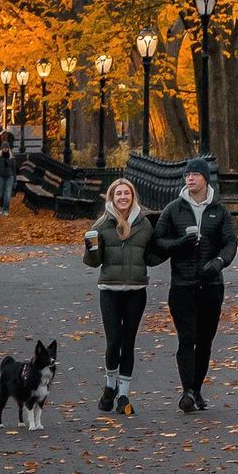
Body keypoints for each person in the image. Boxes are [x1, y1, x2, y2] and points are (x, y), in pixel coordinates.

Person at [153, 158, 237, 412]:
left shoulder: (219, 211)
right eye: (187, 175)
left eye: (195, 175)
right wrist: (180, 244)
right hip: (182, 284)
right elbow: (158, 241)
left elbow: (230, 242)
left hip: (211, 285)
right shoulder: (174, 209)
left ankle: (197, 388)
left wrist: (219, 262)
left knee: (205, 340)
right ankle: (187, 391)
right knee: (186, 337)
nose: (190, 179)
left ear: (205, 179)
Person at [83, 178, 157, 416]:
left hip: (136, 291)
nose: (123, 197)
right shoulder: (102, 224)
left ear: (133, 196)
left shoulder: (144, 224)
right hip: (110, 290)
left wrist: (174, 248)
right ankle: (110, 385)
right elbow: (93, 263)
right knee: (114, 341)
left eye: (127, 193)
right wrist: (90, 248)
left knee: (129, 342)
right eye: (118, 194)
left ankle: (123, 395)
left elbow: (152, 255)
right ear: (112, 198)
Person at [0, 139, 16, 215]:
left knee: (8, 194)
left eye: (7, 148)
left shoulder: (11, 157)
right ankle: (1, 206)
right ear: (2, 148)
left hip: (10, 177)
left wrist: (15, 180)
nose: (5, 149)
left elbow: (13, 169)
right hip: (0, 177)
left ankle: (6, 209)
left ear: (8, 148)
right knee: (1, 194)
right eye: (4, 148)